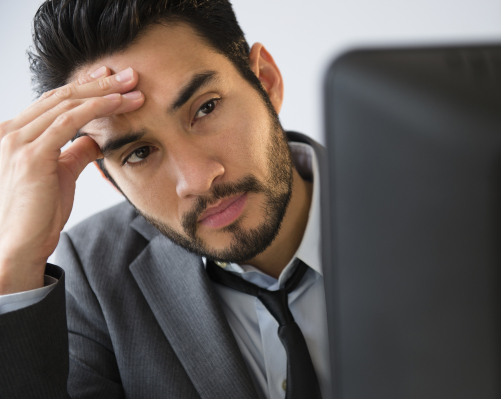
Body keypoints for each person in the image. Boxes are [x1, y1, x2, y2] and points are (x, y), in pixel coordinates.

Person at [0, 1, 329, 398]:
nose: (198, 180)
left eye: (205, 108)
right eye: (138, 153)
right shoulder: (90, 278)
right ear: (108, 177)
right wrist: (16, 263)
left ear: (266, 80)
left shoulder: (421, 203)